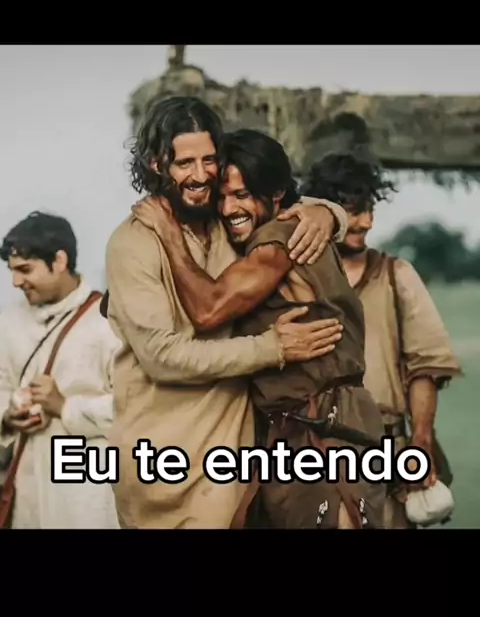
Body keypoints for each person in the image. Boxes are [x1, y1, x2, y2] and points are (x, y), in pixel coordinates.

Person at [105, 96, 349, 530]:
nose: (201, 176)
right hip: (161, 458)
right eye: (185, 163)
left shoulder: (226, 222)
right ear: (157, 165)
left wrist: (327, 213)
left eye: (209, 160)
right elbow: (163, 356)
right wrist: (270, 348)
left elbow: (270, 198)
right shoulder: (133, 243)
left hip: (234, 459)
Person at [304, 153, 462, 528]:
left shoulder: (396, 275)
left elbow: (425, 367)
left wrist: (421, 438)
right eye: (353, 211)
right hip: (312, 452)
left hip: (385, 449)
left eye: (369, 209)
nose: (366, 222)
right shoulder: (299, 278)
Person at [0, 212, 120, 529]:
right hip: (25, 497)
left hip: (85, 498)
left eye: (25, 270)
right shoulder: (7, 323)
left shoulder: (109, 322)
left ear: (60, 260)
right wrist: (8, 417)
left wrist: (65, 406)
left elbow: (137, 407)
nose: (16, 282)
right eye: (12, 271)